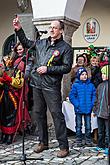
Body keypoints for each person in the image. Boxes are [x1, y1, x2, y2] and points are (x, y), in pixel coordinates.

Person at [13, 18, 73, 158]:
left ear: (61, 30)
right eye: (51, 27)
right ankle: (43, 142)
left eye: (55, 28)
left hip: (51, 86)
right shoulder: (41, 43)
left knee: (57, 115)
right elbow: (27, 43)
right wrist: (18, 28)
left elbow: (67, 67)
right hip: (37, 84)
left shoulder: (65, 48)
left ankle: (64, 146)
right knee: (39, 114)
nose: (52, 30)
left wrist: (48, 69)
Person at [0, 43, 31, 145]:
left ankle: (10, 135)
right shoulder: (5, 69)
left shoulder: (18, 69)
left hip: (13, 94)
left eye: (20, 49)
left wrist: (9, 79)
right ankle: (4, 134)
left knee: (11, 115)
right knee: (3, 114)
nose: (7, 62)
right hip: (4, 94)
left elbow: (20, 82)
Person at [69, 67, 96, 147]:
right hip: (79, 109)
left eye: (85, 74)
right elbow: (72, 96)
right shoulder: (75, 85)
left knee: (88, 126)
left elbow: (94, 95)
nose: (84, 76)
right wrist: (77, 104)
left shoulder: (91, 85)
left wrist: (92, 104)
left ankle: (88, 140)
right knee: (78, 125)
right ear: (78, 76)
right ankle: (78, 140)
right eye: (82, 74)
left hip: (88, 108)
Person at [93, 65, 109, 155]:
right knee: (100, 131)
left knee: (107, 132)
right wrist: (95, 109)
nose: (102, 75)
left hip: (107, 113)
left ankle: (107, 146)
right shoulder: (100, 85)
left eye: (105, 74)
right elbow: (96, 98)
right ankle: (100, 145)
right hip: (99, 112)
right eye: (102, 74)